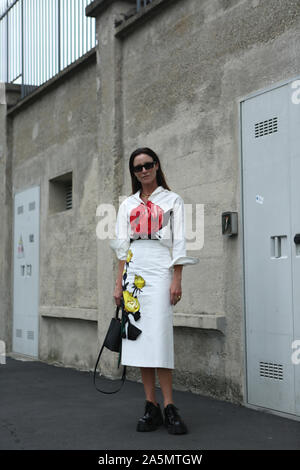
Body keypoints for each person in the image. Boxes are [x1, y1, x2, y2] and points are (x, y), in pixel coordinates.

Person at [110, 147, 199, 434]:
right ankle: (151, 406)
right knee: (139, 341)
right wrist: (118, 282)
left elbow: (180, 243)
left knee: (160, 336)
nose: (144, 170)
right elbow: (123, 247)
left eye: (148, 165)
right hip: (134, 272)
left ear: (157, 166)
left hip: (161, 268)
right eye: (138, 167)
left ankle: (170, 406)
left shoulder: (173, 200)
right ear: (133, 173)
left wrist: (177, 278)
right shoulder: (127, 204)